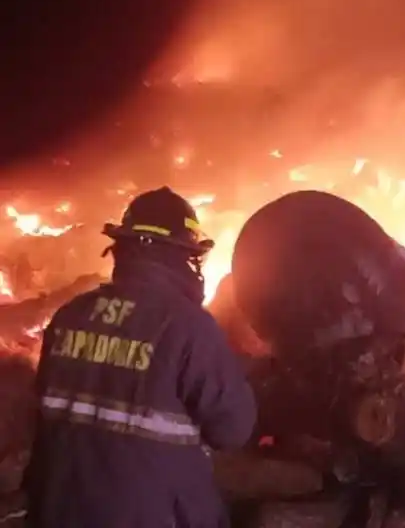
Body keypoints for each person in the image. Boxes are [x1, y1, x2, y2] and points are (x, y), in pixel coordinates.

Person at [23, 187, 257, 528]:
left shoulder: (70, 315)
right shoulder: (188, 327)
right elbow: (233, 430)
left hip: (58, 512)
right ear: (182, 255)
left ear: (121, 248)